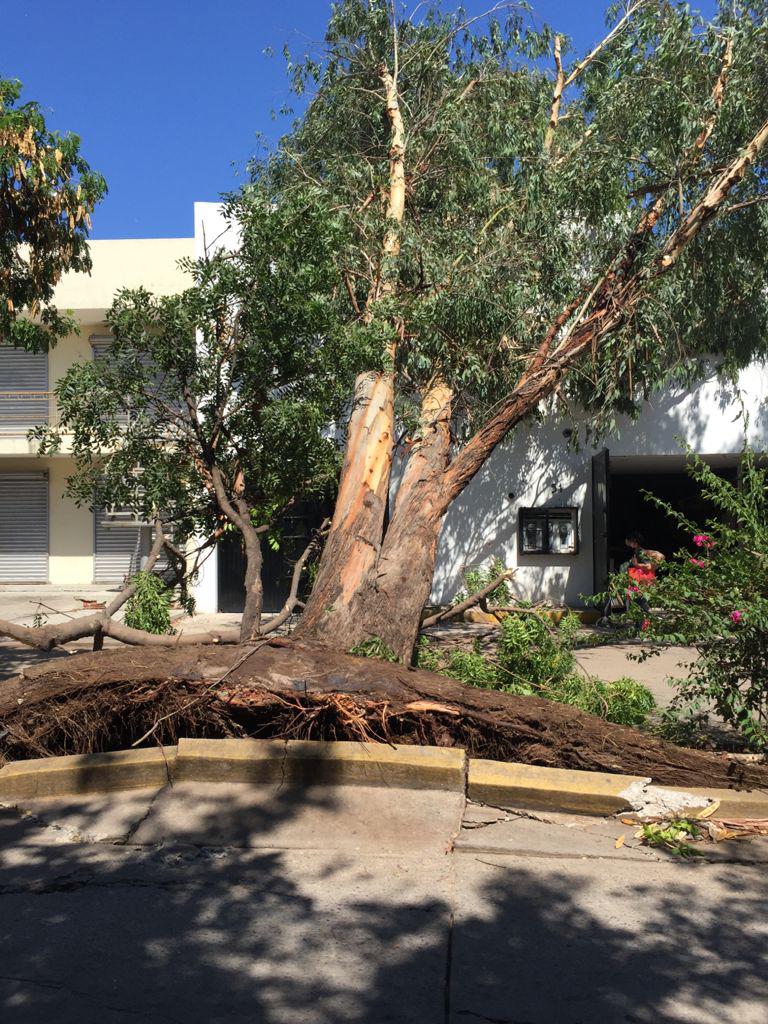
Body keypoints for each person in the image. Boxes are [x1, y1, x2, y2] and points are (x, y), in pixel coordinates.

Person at [598, 531, 661, 628]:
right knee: (631, 601)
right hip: (630, 581)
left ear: (634, 542)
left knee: (637, 601)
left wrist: (636, 565)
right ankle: (613, 620)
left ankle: (637, 624)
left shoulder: (640, 552)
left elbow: (648, 566)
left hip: (635, 582)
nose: (626, 542)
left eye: (628, 540)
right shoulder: (635, 551)